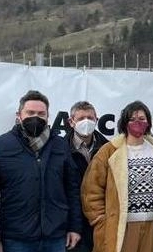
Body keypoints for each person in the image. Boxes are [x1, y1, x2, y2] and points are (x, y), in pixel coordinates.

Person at [0, 90, 82, 252]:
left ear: (47, 116)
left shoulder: (61, 146)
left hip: (55, 237)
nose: (35, 117)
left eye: (41, 114)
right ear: (19, 115)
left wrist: (75, 226)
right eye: (30, 113)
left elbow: (72, 189)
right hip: (15, 238)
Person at [82, 100, 153, 252]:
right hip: (122, 226)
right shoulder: (109, 152)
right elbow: (91, 189)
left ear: (149, 122)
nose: (138, 123)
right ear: (124, 123)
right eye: (133, 119)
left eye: (142, 119)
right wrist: (101, 220)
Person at [63, 100, 109, 252]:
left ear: (97, 119)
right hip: (72, 222)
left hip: (100, 219)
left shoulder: (108, 148)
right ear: (71, 121)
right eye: (81, 118)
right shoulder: (61, 149)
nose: (86, 122)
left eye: (90, 118)